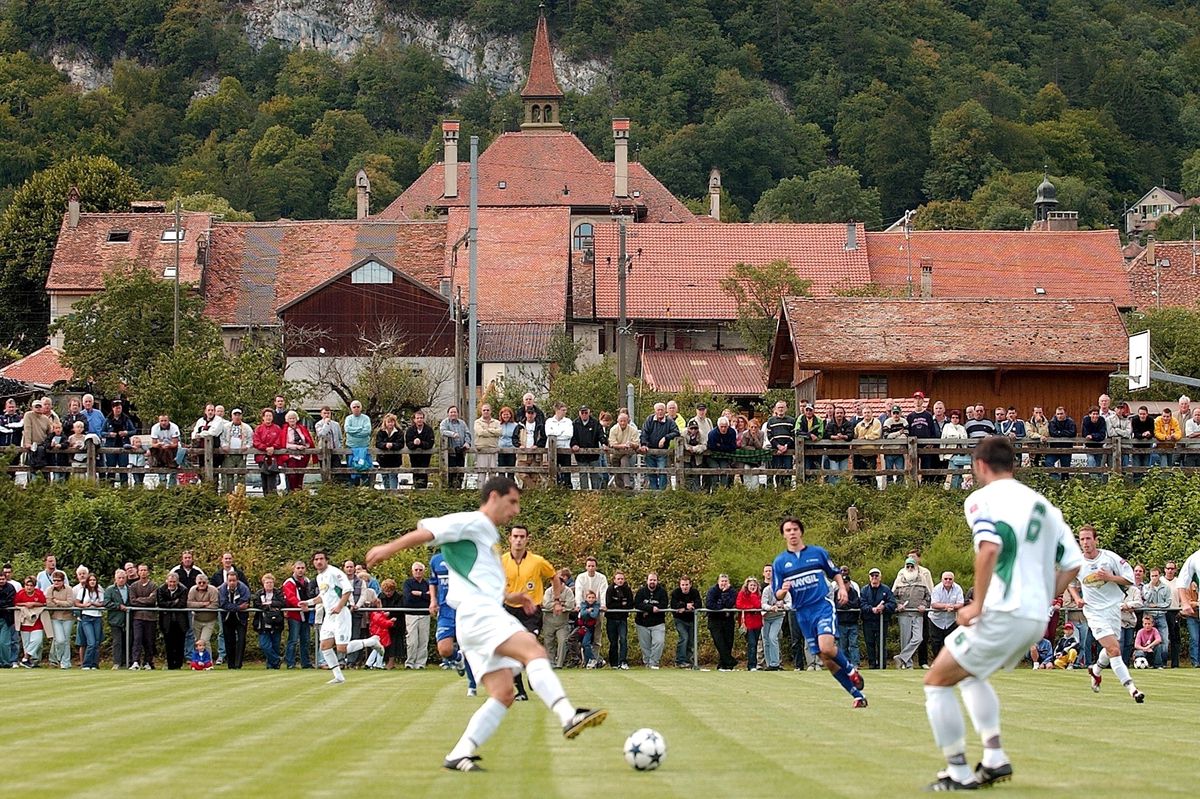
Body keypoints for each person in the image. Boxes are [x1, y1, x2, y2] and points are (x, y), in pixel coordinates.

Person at [364, 476, 607, 772]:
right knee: (534, 651)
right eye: (513, 501)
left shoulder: (486, 534)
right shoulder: (475, 521)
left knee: (503, 693)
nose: (516, 510)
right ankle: (568, 715)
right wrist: (388, 548)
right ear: (494, 496)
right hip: (479, 615)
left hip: (474, 617)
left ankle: (459, 753)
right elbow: (428, 530)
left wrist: (511, 595)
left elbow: (477, 579)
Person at [922, 435, 1083, 790]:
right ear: (1014, 464)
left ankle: (958, 773)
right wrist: (1042, 595)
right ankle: (994, 757)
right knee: (970, 674)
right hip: (1034, 618)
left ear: (979, 466)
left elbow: (989, 547)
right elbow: (1072, 564)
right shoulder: (1043, 505)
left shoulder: (981, 499)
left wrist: (976, 603)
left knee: (936, 681)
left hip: (1003, 610)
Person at [772, 518, 866, 705]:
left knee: (826, 647)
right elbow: (778, 594)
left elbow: (835, 572)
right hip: (802, 613)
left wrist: (841, 588)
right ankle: (858, 696)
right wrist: (784, 590)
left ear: (801, 532)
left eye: (795, 529)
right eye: (788, 530)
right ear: (783, 535)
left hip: (821, 606)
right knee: (826, 659)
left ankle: (851, 670)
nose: (792, 533)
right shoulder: (780, 562)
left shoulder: (817, 553)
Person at [1071, 524, 1144, 701]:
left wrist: (1109, 578)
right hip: (1094, 611)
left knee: (1112, 648)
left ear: (1096, 540)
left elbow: (1130, 579)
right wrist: (1077, 598)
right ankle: (1132, 689)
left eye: (1088, 538)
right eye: (1082, 539)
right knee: (1113, 649)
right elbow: (1070, 583)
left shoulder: (1110, 558)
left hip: (1113, 608)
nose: (1085, 542)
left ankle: (1095, 670)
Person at [301, 551, 383, 684]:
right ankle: (338, 676)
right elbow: (323, 596)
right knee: (325, 646)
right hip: (329, 616)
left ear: (326, 560)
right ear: (313, 562)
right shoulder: (319, 577)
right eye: (316, 559)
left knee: (342, 649)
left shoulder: (335, 572)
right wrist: (309, 603)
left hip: (341, 615)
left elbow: (347, 590)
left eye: (321, 559)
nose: (319, 561)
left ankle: (371, 642)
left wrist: (339, 606)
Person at [501, 525, 559, 699]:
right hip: (509, 610)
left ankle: (534, 675)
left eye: (522, 536)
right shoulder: (501, 561)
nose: (518, 540)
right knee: (512, 653)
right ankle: (521, 691)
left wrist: (557, 601)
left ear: (527, 539)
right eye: (515, 536)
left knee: (528, 643)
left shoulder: (537, 561)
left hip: (531, 611)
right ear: (509, 538)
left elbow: (554, 577)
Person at [431, 552, 475, 694]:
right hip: (445, 611)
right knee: (444, 649)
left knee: (467, 647)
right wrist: (433, 600)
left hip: (465, 609)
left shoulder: (467, 556)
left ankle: (472, 685)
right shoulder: (436, 560)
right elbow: (433, 582)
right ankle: (457, 658)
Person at [893, 557, 931, 669]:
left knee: (918, 638)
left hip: (917, 613)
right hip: (904, 613)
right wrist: (898, 605)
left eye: (912, 566)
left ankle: (901, 658)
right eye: (908, 566)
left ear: (916, 567)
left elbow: (928, 596)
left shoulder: (922, 579)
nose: (910, 568)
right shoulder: (899, 579)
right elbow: (892, 597)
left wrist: (924, 605)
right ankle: (907, 664)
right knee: (905, 639)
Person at [402, 562, 435, 669]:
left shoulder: (427, 583)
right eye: (416, 570)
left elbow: (431, 598)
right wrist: (424, 595)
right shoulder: (408, 583)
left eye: (420, 570)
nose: (418, 572)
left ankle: (420, 664)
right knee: (412, 641)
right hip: (411, 615)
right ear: (412, 571)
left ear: (423, 571)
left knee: (423, 640)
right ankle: (410, 663)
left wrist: (419, 594)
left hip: (425, 615)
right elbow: (408, 598)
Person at [541, 568, 576, 668]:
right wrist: (559, 605)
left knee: (563, 641)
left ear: (562, 584)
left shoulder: (568, 591)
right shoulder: (548, 591)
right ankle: (550, 663)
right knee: (548, 642)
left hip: (562, 623)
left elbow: (570, 605)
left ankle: (559, 664)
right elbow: (546, 604)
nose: (554, 586)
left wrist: (559, 606)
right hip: (548, 622)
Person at [282, 561, 314, 669]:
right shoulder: (289, 582)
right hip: (295, 615)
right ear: (294, 569)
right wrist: (301, 605)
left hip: (306, 614)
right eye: (298, 568)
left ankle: (306, 663)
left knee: (305, 640)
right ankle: (290, 663)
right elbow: (291, 597)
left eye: (302, 568)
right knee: (293, 640)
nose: (300, 570)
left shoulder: (307, 581)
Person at [633, 572, 668, 669]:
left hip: (658, 623)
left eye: (654, 580)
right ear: (647, 580)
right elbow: (637, 604)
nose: (652, 582)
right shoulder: (641, 592)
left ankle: (654, 663)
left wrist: (649, 610)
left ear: (657, 581)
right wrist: (651, 608)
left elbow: (664, 605)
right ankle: (647, 664)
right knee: (645, 646)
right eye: (651, 580)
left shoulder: (662, 592)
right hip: (642, 623)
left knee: (659, 642)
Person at [252, 573, 287, 669]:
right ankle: (277, 660)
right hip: (262, 622)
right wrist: (269, 607)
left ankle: (272, 666)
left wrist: (270, 603)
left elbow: (283, 603)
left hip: (277, 622)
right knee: (264, 645)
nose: (269, 584)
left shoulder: (278, 593)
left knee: (275, 644)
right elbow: (256, 603)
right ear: (263, 583)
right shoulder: (259, 593)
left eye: (271, 582)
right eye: (267, 583)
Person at [154, 571, 188, 669]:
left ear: (177, 582)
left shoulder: (183, 589)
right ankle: (170, 665)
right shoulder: (161, 589)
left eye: (174, 582)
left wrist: (169, 604)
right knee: (169, 644)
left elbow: (182, 604)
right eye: (170, 582)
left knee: (180, 644)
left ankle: (178, 665)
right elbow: (161, 603)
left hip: (180, 622)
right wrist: (174, 603)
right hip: (166, 621)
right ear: (167, 581)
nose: (172, 584)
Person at [218, 571, 250, 669]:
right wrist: (238, 607)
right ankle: (230, 665)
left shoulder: (244, 588)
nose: (232, 583)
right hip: (227, 617)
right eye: (230, 581)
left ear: (237, 581)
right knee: (229, 641)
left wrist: (234, 607)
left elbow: (245, 601)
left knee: (241, 640)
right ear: (227, 581)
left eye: (234, 580)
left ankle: (238, 664)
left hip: (241, 618)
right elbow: (223, 604)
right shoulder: (222, 589)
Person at [705, 573, 738, 671]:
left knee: (728, 642)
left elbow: (730, 603)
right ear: (718, 582)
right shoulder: (712, 591)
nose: (724, 583)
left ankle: (724, 665)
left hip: (728, 620)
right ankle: (730, 661)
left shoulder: (732, 591)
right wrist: (722, 607)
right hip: (715, 620)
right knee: (719, 642)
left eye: (726, 581)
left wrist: (724, 595)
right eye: (722, 581)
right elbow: (710, 604)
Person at [44, 569, 75, 669]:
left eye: (58, 580)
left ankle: (65, 663)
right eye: (54, 580)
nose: (56, 582)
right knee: (59, 640)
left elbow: (70, 603)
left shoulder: (69, 589)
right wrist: (61, 603)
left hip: (68, 617)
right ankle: (57, 658)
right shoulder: (50, 589)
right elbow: (49, 604)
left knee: (66, 640)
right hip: (55, 617)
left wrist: (57, 601)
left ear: (63, 581)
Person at [929, 572, 965, 659]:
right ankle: (936, 662)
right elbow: (934, 604)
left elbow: (961, 603)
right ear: (942, 579)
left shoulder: (958, 588)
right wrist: (946, 606)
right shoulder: (936, 589)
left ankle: (948, 662)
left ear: (953, 580)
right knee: (936, 642)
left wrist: (953, 607)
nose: (948, 581)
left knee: (950, 642)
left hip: (951, 620)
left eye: (950, 579)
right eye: (945, 579)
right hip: (936, 619)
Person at [128, 564, 157, 670]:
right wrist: (145, 599)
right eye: (141, 570)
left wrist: (139, 599)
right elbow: (132, 601)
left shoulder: (153, 585)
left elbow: (152, 600)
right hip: (138, 617)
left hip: (150, 618)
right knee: (137, 639)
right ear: (138, 572)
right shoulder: (134, 586)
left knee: (149, 641)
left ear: (148, 572)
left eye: (145, 570)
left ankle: (148, 662)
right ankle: (135, 661)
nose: (143, 572)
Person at [72, 572, 104, 669]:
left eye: (94, 580)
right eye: (90, 580)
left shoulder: (100, 591)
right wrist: (85, 605)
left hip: (97, 617)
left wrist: (94, 603)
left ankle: (94, 664)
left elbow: (102, 603)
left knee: (97, 642)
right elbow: (77, 603)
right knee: (91, 642)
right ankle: (86, 664)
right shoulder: (83, 591)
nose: (92, 582)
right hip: (86, 618)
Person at [14, 577, 48, 667]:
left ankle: (25, 658)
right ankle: (29, 662)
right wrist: (25, 604)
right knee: (26, 643)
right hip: (25, 621)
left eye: (31, 585)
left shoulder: (39, 593)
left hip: (36, 620)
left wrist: (34, 604)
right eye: (27, 585)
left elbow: (44, 603)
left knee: (37, 640)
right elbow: (16, 603)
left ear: (34, 586)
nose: (29, 587)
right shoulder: (20, 593)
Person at [669, 575, 701, 669]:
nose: (685, 587)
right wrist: (685, 605)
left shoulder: (695, 592)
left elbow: (699, 604)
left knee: (691, 641)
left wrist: (690, 607)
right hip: (680, 620)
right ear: (680, 585)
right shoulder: (676, 592)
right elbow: (673, 604)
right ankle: (680, 661)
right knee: (684, 637)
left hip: (692, 620)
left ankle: (688, 660)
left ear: (690, 585)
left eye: (686, 584)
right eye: (683, 585)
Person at [605, 571, 634, 669]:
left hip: (622, 619)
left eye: (622, 579)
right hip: (611, 619)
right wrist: (621, 604)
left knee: (623, 640)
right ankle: (613, 663)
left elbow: (630, 604)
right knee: (613, 642)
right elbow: (609, 604)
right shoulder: (610, 589)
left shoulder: (627, 590)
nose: (620, 580)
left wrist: (620, 604)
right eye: (618, 579)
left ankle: (623, 661)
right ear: (614, 580)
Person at [439, 405, 473, 489]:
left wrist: (467, 442)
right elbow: (443, 431)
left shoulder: (462, 423)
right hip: (450, 454)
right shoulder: (445, 423)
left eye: (455, 412)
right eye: (451, 412)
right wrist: (452, 434)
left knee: (461, 472)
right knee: (451, 474)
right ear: (448, 414)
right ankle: (450, 490)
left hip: (461, 452)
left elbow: (468, 433)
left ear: (458, 413)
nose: (453, 414)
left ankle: (459, 489)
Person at [281, 411, 314, 493]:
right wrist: (296, 447)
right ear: (287, 420)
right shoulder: (285, 430)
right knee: (292, 476)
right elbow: (284, 444)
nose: (292, 420)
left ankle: (300, 492)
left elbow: (307, 440)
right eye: (290, 418)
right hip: (291, 455)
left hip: (302, 455)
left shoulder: (302, 428)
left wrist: (306, 445)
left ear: (297, 419)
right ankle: (292, 492)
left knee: (301, 474)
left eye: (293, 418)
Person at [834, 566, 861, 666]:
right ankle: (844, 664)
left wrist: (845, 603)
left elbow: (856, 604)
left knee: (854, 644)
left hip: (852, 622)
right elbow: (837, 604)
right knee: (842, 646)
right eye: (843, 583)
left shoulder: (854, 592)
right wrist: (846, 604)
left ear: (849, 583)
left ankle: (855, 664)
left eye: (846, 583)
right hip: (841, 623)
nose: (845, 585)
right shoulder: (837, 592)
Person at [103, 569, 131, 669]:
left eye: (123, 578)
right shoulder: (110, 589)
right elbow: (106, 602)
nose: (121, 580)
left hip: (128, 620)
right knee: (117, 642)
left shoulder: (130, 588)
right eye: (119, 578)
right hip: (115, 620)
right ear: (115, 578)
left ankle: (126, 662)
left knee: (127, 641)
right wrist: (118, 606)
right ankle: (117, 663)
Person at [253, 408, 283, 496]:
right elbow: (256, 441)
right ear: (263, 417)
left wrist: (273, 447)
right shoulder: (258, 429)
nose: (268, 418)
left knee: (272, 479)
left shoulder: (277, 428)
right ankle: (266, 498)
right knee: (264, 479)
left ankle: (272, 498)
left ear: (272, 417)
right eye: (266, 416)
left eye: (270, 416)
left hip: (274, 458)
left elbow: (280, 440)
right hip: (262, 458)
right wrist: (265, 448)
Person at [736, 576, 765, 671]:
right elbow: (739, 605)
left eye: (754, 585)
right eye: (751, 585)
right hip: (748, 623)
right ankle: (751, 665)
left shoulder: (758, 595)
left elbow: (758, 605)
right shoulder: (742, 594)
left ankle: (755, 664)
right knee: (751, 644)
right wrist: (751, 607)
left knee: (756, 644)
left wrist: (753, 596)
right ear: (747, 585)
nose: (752, 587)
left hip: (757, 623)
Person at [187, 573, 220, 654]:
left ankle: (208, 662)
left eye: (204, 582)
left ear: (207, 582)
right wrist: (203, 604)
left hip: (210, 620)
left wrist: (197, 605)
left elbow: (215, 605)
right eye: (199, 582)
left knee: (205, 641)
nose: (201, 584)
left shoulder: (213, 590)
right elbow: (189, 604)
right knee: (197, 642)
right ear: (196, 582)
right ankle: (198, 661)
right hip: (197, 619)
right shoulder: (192, 590)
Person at [405, 410, 435, 489]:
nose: (419, 420)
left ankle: (423, 490)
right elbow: (408, 444)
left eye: (421, 418)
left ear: (423, 419)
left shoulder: (429, 430)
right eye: (417, 418)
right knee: (415, 472)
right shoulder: (410, 430)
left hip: (425, 457)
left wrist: (421, 443)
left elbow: (430, 443)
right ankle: (416, 489)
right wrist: (414, 443)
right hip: (414, 456)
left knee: (424, 473)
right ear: (414, 420)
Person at [376, 413, 405, 491]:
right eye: (388, 422)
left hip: (394, 460)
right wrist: (385, 445)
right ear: (385, 422)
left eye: (392, 422)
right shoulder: (381, 432)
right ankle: (386, 493)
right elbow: (378, 443)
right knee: (385, 476)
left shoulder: (399, 432)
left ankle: (393, 493)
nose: (390, 424)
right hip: (383, 459)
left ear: (395, 422)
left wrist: (392, 445)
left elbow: (401, 444)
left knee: (393, 476)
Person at [474, 404, 501, 482]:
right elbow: (480, 432)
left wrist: (487, 430)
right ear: (481, 411)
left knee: (493, 473)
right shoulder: (477, 422)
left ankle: (492, 492)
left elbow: (499, 432)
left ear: (491, 411)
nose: (486, 411)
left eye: (487, 410)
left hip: (493, 450)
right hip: (481, 450)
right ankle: (480, 492)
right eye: (484, 410)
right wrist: (493, 431)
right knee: (481, 473)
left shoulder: (496, 422)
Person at [578, 591, 601, 668]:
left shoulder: (596, 605)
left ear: (595, 598)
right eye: (589, 597)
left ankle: (593, 659)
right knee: (574, 641)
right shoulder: (583, 604)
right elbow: (582, 613)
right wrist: (588, 611)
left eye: (593, 598)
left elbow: (594, 615)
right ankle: (586, 661)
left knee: (586, 643)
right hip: (581, 628)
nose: (591, 599)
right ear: (586, 598)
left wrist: (587, 612)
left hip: (589, 628)